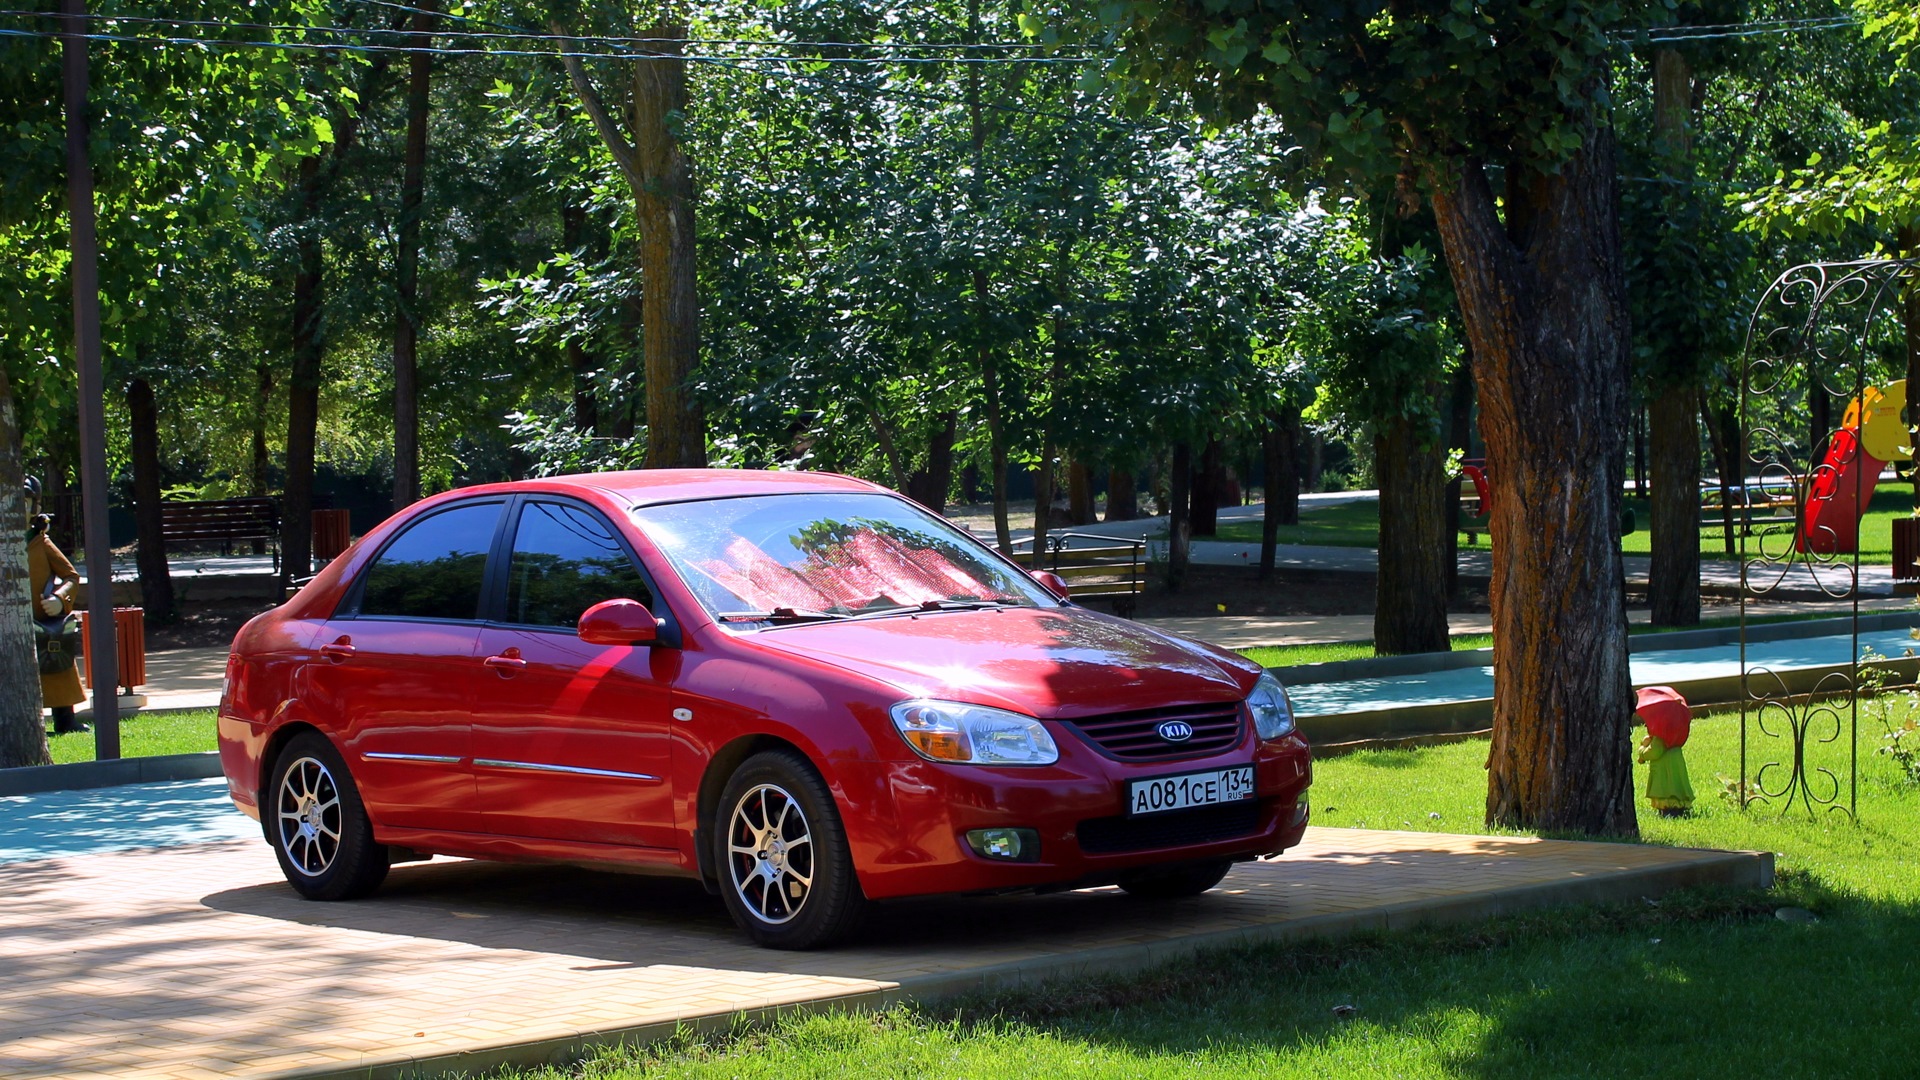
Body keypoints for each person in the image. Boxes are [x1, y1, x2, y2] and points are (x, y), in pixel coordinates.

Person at [29, 511, 88, 734]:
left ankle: (65, 718)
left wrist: (59, 599)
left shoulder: (40, 542)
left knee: (56, 665)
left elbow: (71, 576)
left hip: (42, 621)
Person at [1634, 684, 1694, 817]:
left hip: (1664, 772)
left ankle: (1668, 810)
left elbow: (1654, 752)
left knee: (1666, 790)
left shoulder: (1660, 738)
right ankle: (1679, 807)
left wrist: (1642, 750)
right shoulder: (1673, 735)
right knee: (1677, 786)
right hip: (1676, 767)